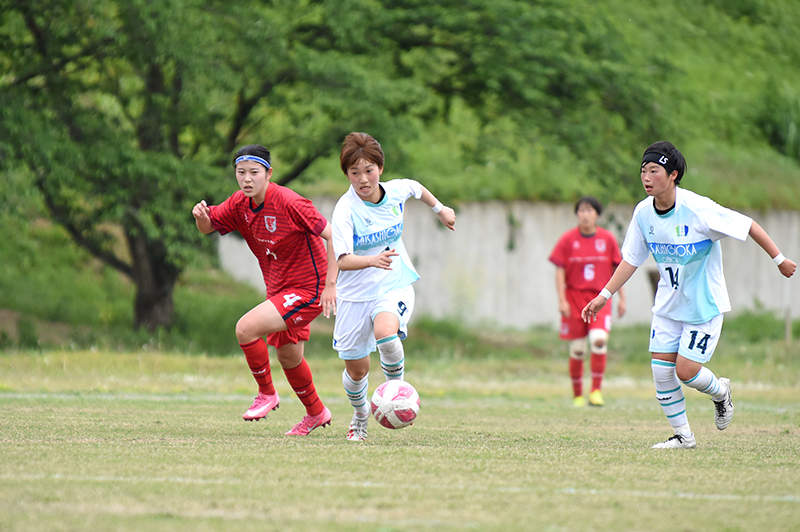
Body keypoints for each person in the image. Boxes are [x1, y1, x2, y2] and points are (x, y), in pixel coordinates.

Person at [581, 141, 796, 449]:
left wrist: (779, 260)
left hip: (703, 307)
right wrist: (605, 295)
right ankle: (684, 437)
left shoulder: (698, 209)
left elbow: (748, 225)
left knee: (685, 371)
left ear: (673, 175)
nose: (646, 176)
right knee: (661, 371)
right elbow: (631, 258)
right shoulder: (643, 213)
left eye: (654, 170)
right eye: (643, 170)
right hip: (668, 307)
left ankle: (721, 392)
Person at [192, 144, 338, 436]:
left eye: (254, 173)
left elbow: (335, 236)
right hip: (279, 289)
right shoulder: (239, 204)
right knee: (289, 357)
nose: (247, 179)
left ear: (268, 174)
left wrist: (331, 286)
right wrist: (200, 217)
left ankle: (267, 394)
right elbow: (209, 227)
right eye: (240, 172)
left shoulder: (289, 202)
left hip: (310, 288)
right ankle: (316, 413)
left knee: (245, 329)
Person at [330, 132, 456, 441]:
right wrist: (372, 260)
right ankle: (360, 414)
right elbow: (343, 260)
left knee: (386, 334)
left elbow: (416, 188)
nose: (363, 179)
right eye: (354, 172)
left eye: (369, 170)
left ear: (380, 168)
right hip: (354, 295)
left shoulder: (395, 191)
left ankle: (397, 396)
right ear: (346, 174)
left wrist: (440, 209)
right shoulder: (345, 210)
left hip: (393, 282)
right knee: (357, 370)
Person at [549, 196, 626, 408]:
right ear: (576, 215)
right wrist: (562, 300)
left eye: (589, 210)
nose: (585, 214)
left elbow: (618, 271)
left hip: (600, 299)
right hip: (574, 299)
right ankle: (577, 396)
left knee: (599, 340)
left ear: (597, 215)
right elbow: (559, 272)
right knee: (577, 350)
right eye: (581, 210)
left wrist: (622, 299)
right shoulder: (567, 240)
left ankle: (596, 391)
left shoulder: (608, 239)